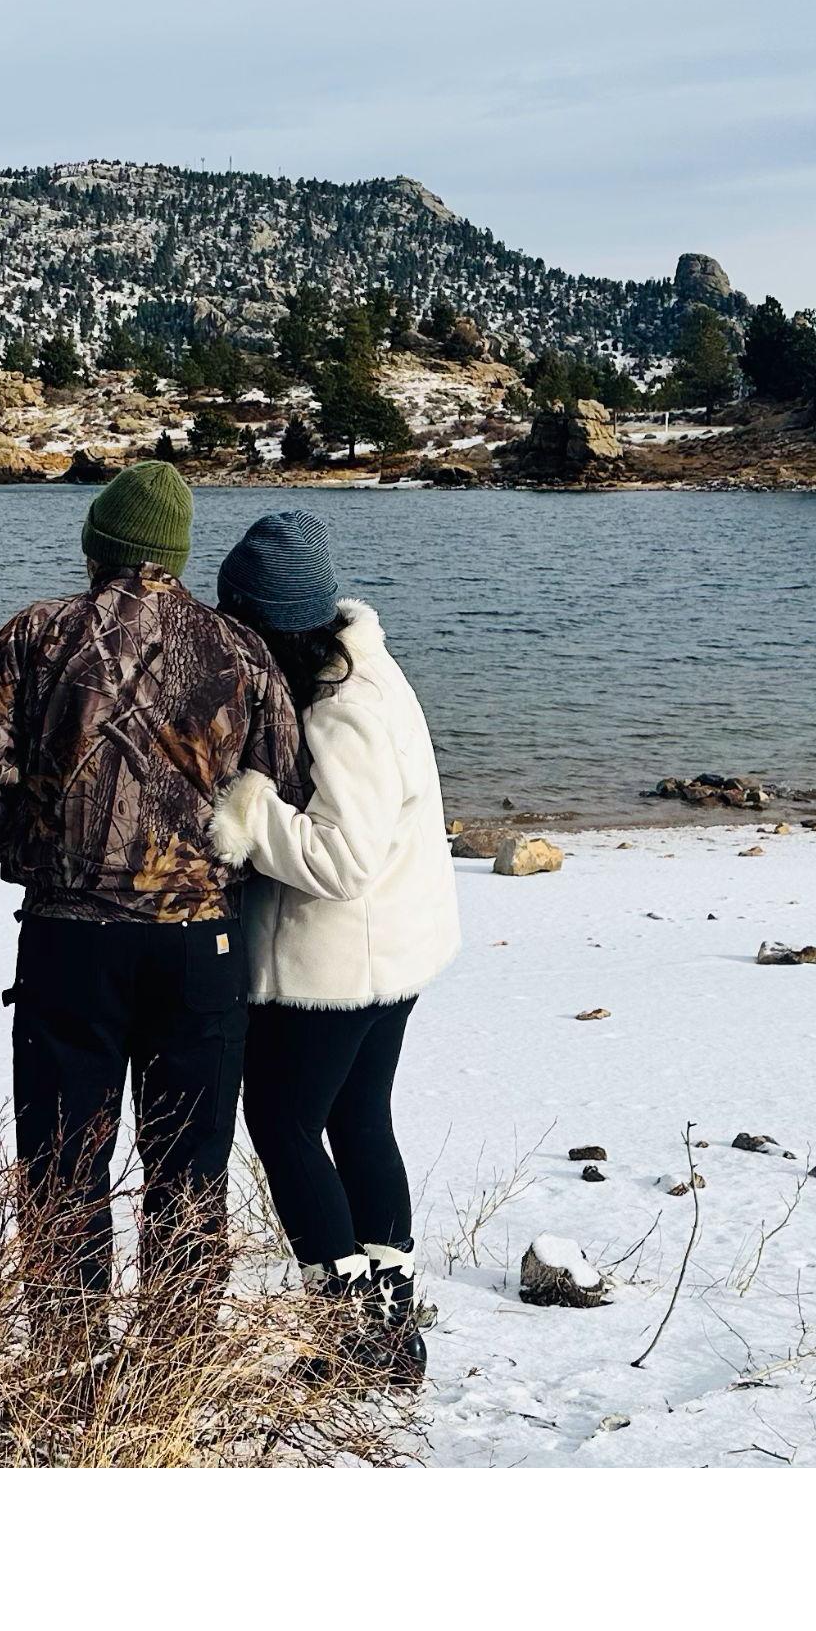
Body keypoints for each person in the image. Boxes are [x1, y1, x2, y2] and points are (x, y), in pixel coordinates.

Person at [0, 461, 302, 1341]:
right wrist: (216, 859)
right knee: (190, 1166)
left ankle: (69, 1354)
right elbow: (287, 786)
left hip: (69, 943)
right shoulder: (238, 648)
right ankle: (174, 1358)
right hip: (199, 943)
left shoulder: (39, 632)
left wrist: (35, 849)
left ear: (97, 545)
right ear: (175, 555)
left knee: (61, 1163)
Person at [208, 511, 459, 1383]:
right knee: (356, 1120)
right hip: (393, 946)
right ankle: (390, 1335)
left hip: (342, 960)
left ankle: (353, 1330)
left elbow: (343, 859)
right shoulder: (368, 670)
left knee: (281, 1123)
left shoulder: (342, 708)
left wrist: (243, 811)